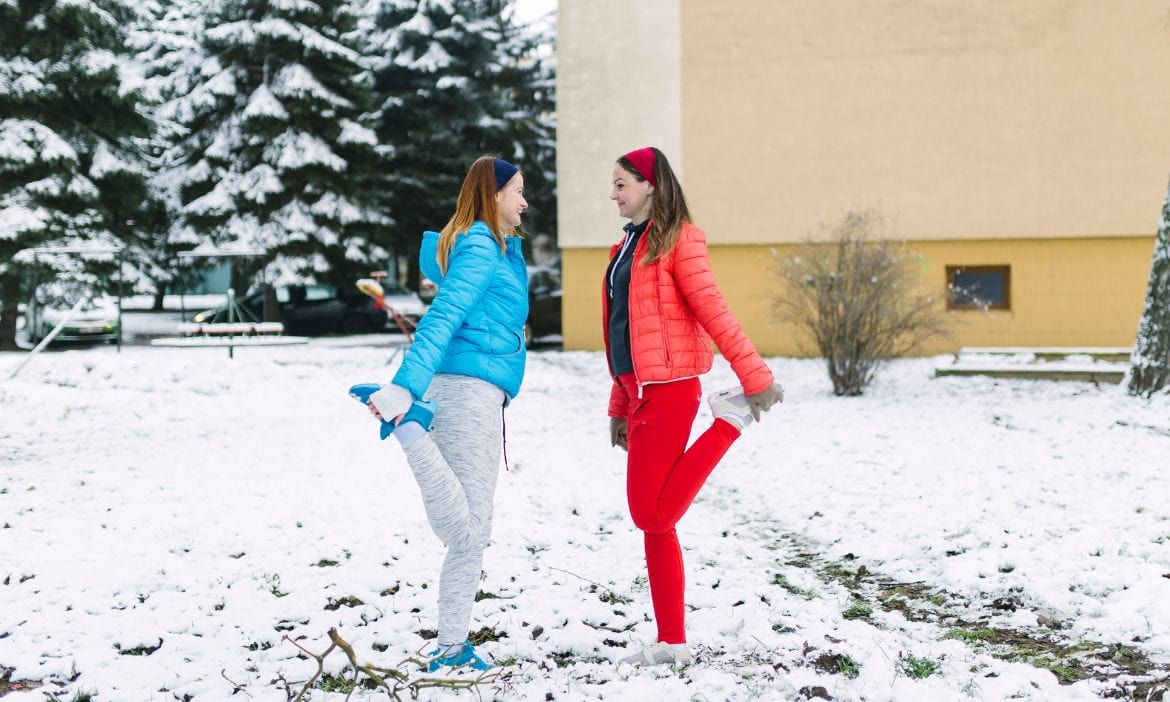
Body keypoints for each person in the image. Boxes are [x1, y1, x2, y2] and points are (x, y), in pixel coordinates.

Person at [604, 147, 784, 667]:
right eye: (613, 185)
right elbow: (622, 332)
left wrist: (754, 375)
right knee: (658, 522)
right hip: (640, 391)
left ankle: (728, 421)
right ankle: (672, 642)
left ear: (652, 186)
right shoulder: (625, 248)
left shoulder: (680, 240)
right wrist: (619, 403)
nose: (614, 194)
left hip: (673, 387)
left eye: (622, 184)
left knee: (651, 513)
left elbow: (713, 307)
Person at [355, 156, 529, 671]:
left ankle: (453, 648)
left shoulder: (491, 246)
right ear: (493, 195)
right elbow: (444, 315)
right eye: (518, 190)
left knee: (471, 534)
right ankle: (409, 429)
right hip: (466, 390)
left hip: (478, 390)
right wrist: (406, 387)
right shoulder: (480, 244)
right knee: (468, 533)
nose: (524, 201)